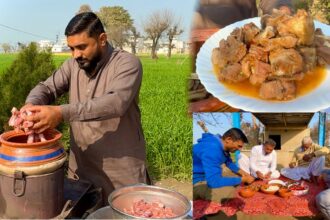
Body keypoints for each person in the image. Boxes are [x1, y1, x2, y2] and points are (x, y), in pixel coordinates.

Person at [21, 12, 150, 204]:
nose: (76, 55)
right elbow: (47, 87)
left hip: (121, 171)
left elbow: (115, 103)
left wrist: (60, 113)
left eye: (82, 47)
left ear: (102, 39)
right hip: (81, 169)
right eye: (72, 48)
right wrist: (30, 106)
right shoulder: (73, 65)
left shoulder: (127, 63)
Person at [193, 128, 255, 202]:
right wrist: (242, 179)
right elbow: (214, 181)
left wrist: (243, 173)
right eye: (239, 146)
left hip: (207, 176)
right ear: (228, 139)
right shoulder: (212, 149)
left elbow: (229, 162)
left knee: (235, 181)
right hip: (197, 180)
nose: (240, 149)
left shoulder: (220, 144)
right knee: (228, 192)